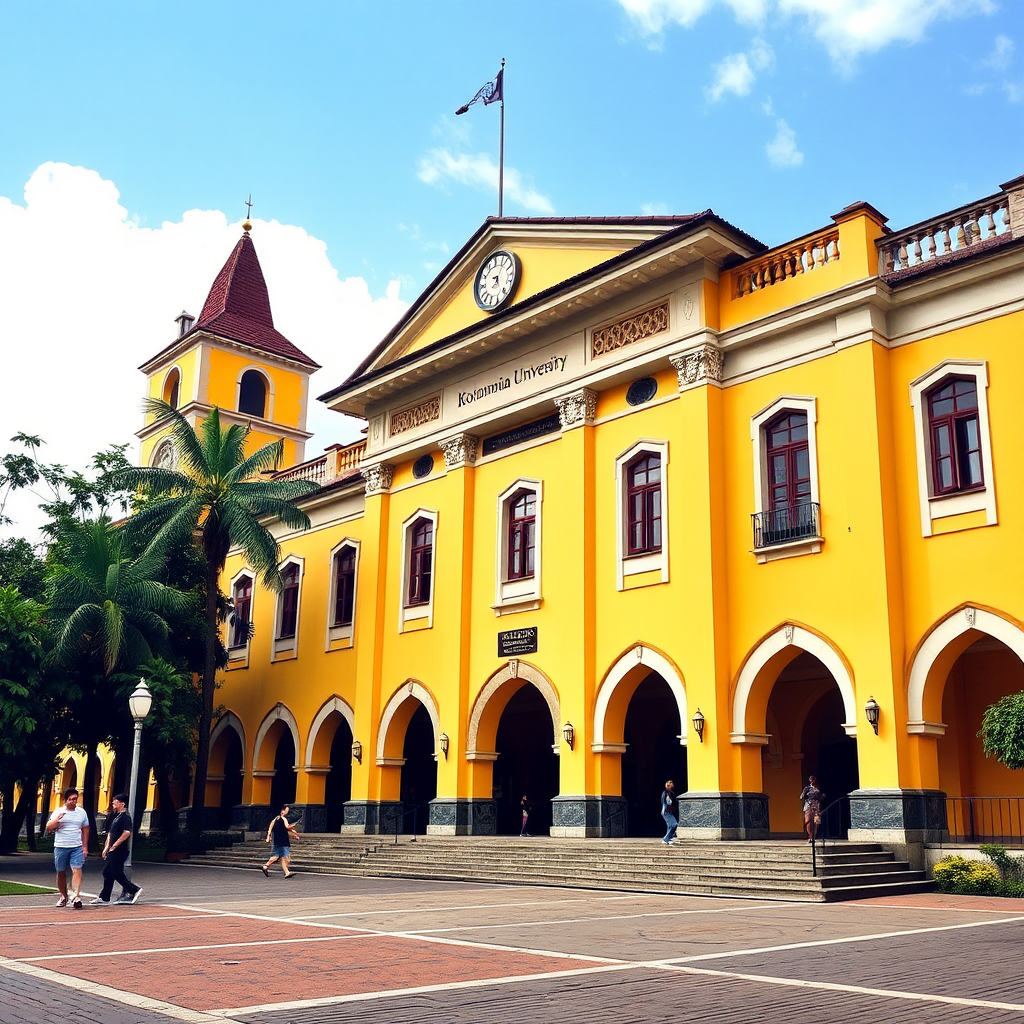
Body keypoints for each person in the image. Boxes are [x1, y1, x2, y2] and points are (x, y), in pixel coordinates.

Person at [90, 793, 142, 906]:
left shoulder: (125, 817)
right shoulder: (115, 816)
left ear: (122, 803)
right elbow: (110, 833)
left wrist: (115, 846)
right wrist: (106, 847)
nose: (113, 803)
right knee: (107, 872)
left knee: (116, 872)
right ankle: (104, 897)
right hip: (113, 850)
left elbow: (126, 833)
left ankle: (133, 889)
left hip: (120, 850)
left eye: (115, 801)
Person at [46, 788, 89, 909]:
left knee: (77, 869)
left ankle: (75, 896)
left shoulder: (81, 812)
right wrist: (57, 819)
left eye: (76, 799)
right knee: (61, 871)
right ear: (66, 800)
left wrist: (85, 846)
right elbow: (49, 828)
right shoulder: (58, 812)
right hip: (61, 846)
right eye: (71, 799)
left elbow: (85, 828)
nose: (74, 801)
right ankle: (63, 896)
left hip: (76, 846)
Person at [261, 804, 299, 878]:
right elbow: (288, 826)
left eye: (287, 811)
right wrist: (293, 826)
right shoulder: (284, 819)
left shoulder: (275, 819)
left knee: (278, 856)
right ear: (282, 811)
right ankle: (286, 872)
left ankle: (266, 866)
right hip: (283, 841)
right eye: (286, 811)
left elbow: (270, 828)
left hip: (277, 841)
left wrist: (268, 837)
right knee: (284, 857)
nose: (286, 812)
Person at [799, 775, 825, 843]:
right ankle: (810, 836)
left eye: (813, 780)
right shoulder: (807, 788)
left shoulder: (819, 788)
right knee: (808, 821)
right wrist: (804, 795)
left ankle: (813, 836)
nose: (812, 781)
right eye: (811, 780)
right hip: (808, 805)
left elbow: (823, 796)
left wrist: (821, 796)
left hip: (816, 806)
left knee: (816, 822)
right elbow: (801, 797)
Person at [660, 780, 678, 845]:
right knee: (674, 824)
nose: (673, 785)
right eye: (671, 784)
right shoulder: (665, 793)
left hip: (670, 811)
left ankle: (669, 839)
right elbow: (664, 802)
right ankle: (666, 839)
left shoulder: (671, 793)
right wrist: (663, 810)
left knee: (670, 825)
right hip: (666, 811)